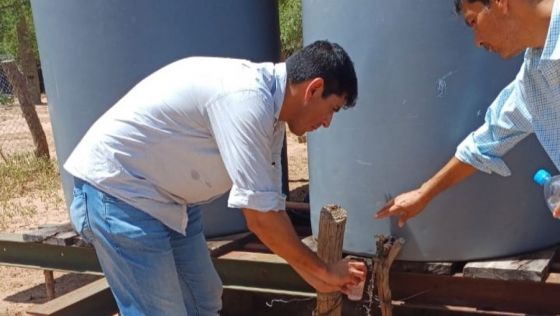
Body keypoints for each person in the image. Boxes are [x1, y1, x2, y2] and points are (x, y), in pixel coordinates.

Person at [63, 40, 365, 315]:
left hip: (169, 199)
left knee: (203, 299)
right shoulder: (247, 100)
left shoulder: (271, 117)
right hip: (119, 193)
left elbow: (270, 211)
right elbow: (260, 219)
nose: (327, 123)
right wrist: (325, 272)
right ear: (313, 89)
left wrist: (320, 278)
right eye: (332, 109)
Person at [376, 0, 559, 226]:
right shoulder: (534, 76)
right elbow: (486, 140)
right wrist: (424, 193)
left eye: (473, 21)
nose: (477, 41)